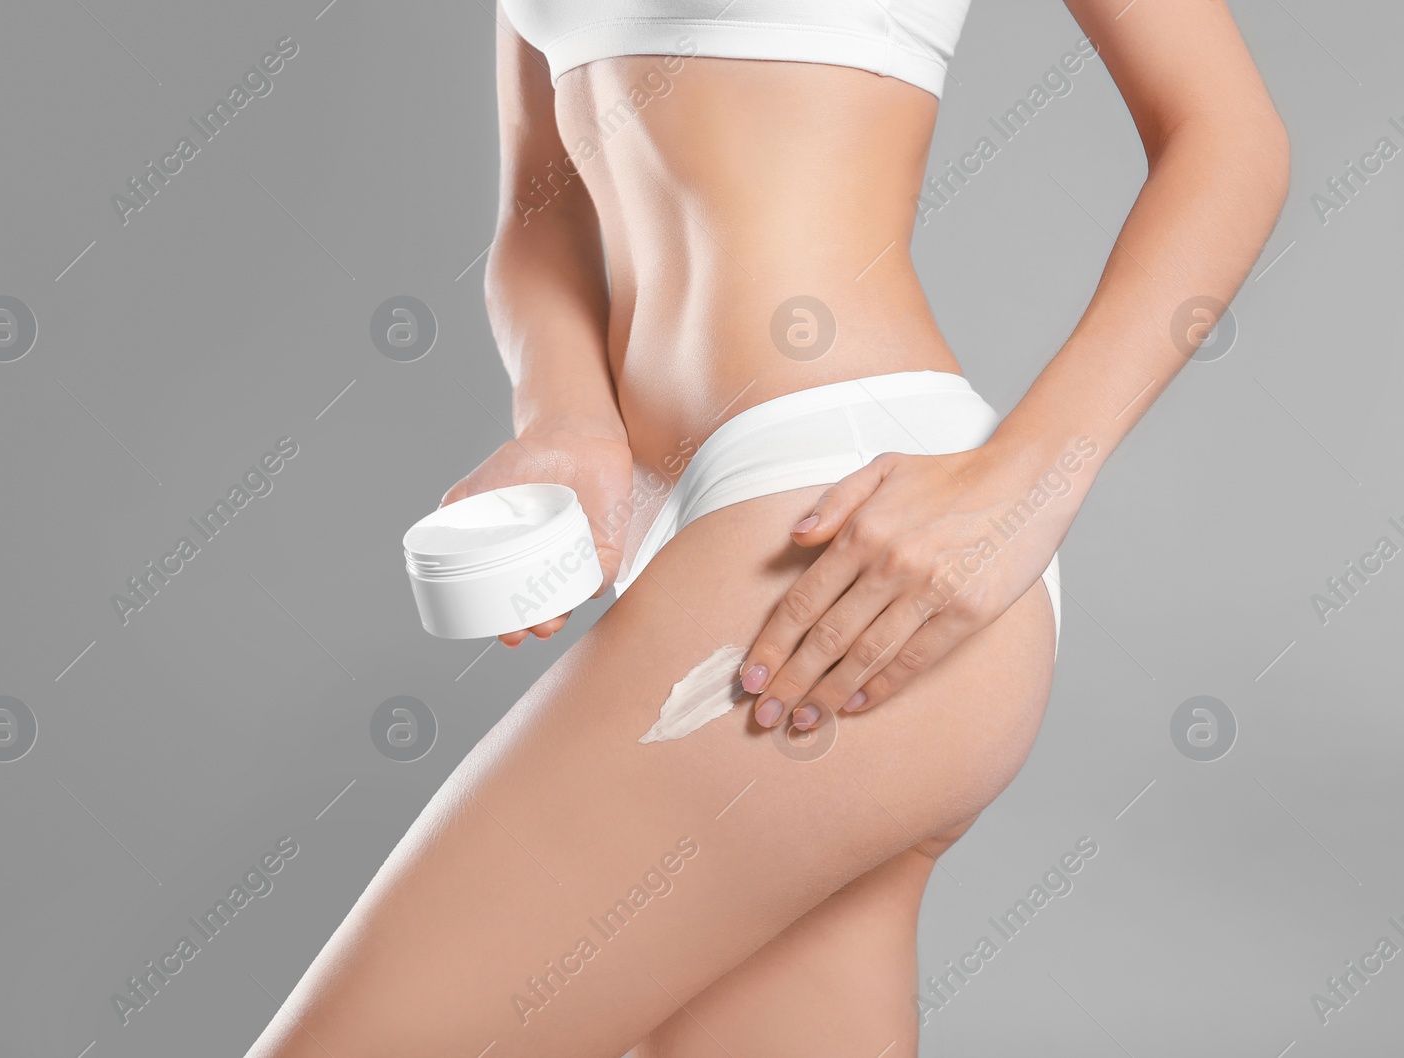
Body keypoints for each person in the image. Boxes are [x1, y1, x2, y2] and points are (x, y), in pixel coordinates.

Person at [246, 1, 1288, 1054]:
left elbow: (1229, 137)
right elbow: (537, 213)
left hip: (830, 528)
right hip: (687, 543)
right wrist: (565, 422)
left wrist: (1028, 483)